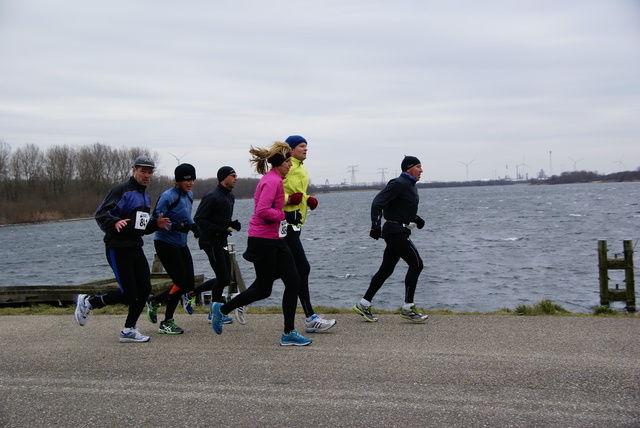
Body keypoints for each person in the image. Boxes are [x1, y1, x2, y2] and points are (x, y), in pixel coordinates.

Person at [209, 141, 312, 346]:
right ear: (279, 163)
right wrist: (286, 215)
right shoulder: (271, 181)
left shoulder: (277, 180)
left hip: (275, 238)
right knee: (264, 289)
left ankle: (288, 332)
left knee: (293, 280)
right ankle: (222, 309)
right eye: (288, 162)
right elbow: (262, 211)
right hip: (262, 240)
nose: (291, 165)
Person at [74, 155, 171, 343]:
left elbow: (140, 226)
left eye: (150, 172)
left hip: (135, 246)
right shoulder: (121, 191)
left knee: (144, 290)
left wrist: (155, 224)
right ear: (134, 170)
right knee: (128, 293)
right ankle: (88, 302)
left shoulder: (145, 195)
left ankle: (129, 330)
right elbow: (101, 213)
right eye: (143, 171)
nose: (146, 175)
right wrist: (115, 221)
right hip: (117, 248)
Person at [353, 155, 428, 323]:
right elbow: (377, 202)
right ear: (409, 168)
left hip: (400, 230)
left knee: (386, 269)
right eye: (418, 167)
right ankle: (408, 307)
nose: (421, 170)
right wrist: (375, 225)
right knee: (416, 264)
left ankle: (363, 304)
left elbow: (398, 207)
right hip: (395, 232)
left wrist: (415, 218)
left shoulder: (410, 186)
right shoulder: (398, 183)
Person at [282, 135, 336, 333]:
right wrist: (290, 199)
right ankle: (310, 318)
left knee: (275, 272)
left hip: (297, 223)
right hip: (284, 223)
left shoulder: (301, 168)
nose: (306, 149)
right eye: (302, 146)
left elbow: (297, 192)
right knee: (302, 268)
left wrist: (307, 198)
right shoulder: (287, 167)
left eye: (307, 146)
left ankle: (238, 302)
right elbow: (275, 193)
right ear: (291, 149)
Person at [144, 163, 200, 334]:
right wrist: (176, 226)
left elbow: (186, 218)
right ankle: (167, 322)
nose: (190, 183)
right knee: (180, 282)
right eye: (186, 180)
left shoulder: (189, 195)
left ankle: (154, 301)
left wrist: (194, 226)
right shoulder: (168, 196)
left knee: (188, 283)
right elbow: (156, 220)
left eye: (192, 179)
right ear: (178, 181)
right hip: (165, 242)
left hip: (181, 243)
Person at [190, 166, 244, 325]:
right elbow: (199, 219)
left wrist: (231, 224)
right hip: (210, 242)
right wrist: (220, 229)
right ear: (223, 178)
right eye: (233, 175)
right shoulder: (212, 196)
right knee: (222, 277)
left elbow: (219, 218)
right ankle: (214, 314)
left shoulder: (230, 196)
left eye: (236, 175)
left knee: (225, 278)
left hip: (221, 240)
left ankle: (193, 292)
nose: (236, 178)